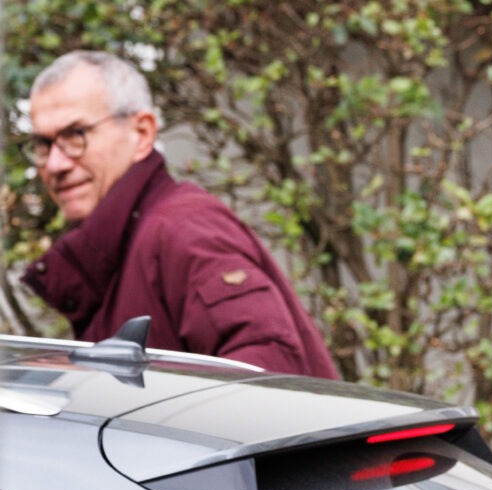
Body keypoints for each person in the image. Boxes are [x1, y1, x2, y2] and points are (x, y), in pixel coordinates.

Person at [19, 51, 338, 379]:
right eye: (43, 144)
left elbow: (268, 379)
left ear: (142, 133)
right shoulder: (123, 249)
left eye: (75, 135)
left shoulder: (184, 230)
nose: (55, 164)